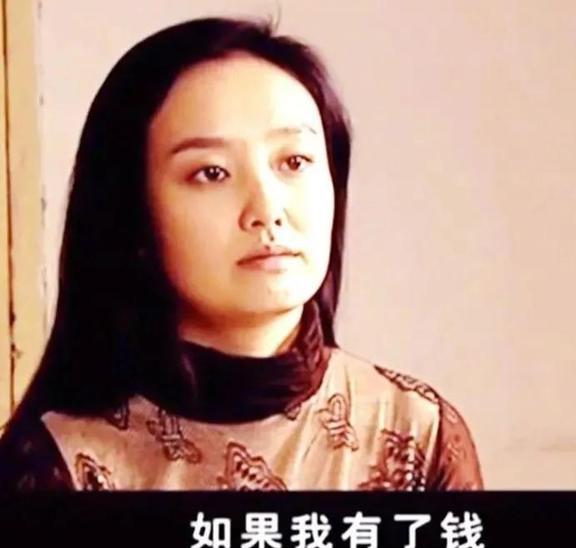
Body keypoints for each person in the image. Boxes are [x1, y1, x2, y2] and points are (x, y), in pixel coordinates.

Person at [0, 17, 482, 491]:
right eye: (211, 173)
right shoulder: (58, 465)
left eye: (294, 161)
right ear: (133, 211)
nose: (267, 210)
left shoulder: (419, 435)